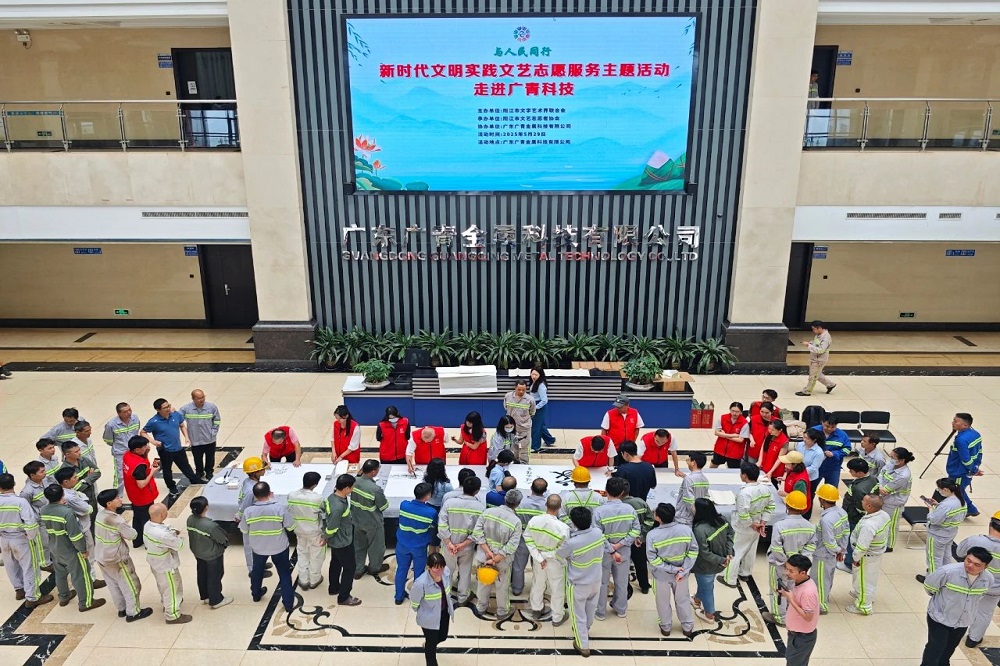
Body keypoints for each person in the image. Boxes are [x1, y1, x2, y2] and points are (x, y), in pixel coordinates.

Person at [920, 547, 995, 665]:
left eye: (977, 565)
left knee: (949, 649)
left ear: (985, 567)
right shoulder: (946, 572)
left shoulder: (988, 579)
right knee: (935, 649)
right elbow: (930, 587)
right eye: (968, 560)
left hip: (962, 622)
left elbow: (979, 597)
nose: (970, 565)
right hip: (940, 618)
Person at [557, 506, 615, 657]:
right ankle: (585, 630)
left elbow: (559, 555)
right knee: (590, 609)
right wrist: (613, 552)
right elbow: (606, 545)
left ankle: (583, 645)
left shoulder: (572, 543)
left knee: (577, 614)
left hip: (578, 584)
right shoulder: (598, 533)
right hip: (596, 579)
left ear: (574, 523)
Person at [40, 484, 106, 613]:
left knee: (60, 573)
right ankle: (86, 602)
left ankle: (64, 596)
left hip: (54, 547)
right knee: (81, 574)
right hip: (70, 550)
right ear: (62, 495)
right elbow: (75, 535)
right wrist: (83, 550)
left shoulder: (43, 510)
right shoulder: (67, 512)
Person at [93, 489, 152, 622]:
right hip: (117, 558)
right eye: (116, 498)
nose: (120, 499)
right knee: (131, 584)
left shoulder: (100, 514)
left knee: (113, 584)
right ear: (109, 503)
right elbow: (132, 535)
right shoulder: (117, 521)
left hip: (101, 556)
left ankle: (122, 608)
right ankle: (133, 612)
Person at [761, 491, 817, 626]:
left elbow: (776, 548)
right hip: (797, 568)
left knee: (777, 589)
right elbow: (811, 546)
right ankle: (789, 610)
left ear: (787, 505)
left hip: (779, 564)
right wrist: (798, 562)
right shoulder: (810, 527)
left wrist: (786, 563)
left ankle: (779, 617)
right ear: (803, 508)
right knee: (792, 588)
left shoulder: (780, 525)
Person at [240, 481, 296, 614]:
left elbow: (244, 530)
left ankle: (256, 594)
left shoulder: (248, 511)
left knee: (257, 571)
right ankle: (288, 603)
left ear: (254, 496)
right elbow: (291, 526)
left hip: (258, 548)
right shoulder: (280, 509)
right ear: (270, 493)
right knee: (284, 574)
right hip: (279, 547)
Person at [0, 473, 52, 609]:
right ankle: (33, 597)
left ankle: (19, 589)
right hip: (20, 538)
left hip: (4, 539)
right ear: (14, 484)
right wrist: (31, 537)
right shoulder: (20, 502)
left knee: (11, 565)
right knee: (30, 567)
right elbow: (30, 523)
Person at [720, 462, 775, 588]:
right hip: (758, 524)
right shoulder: (765, 489)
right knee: (750, 550)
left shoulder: (745, 493)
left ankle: (730, 579)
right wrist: (762, 522)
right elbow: (771, 506)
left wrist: (752, 524)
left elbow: (743, 514)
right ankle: (745, 573)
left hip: (743, 527)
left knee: (735, 551)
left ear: (744, 475)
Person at [647, 502, 697, 638]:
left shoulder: (652, 535)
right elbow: (693, 551)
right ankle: (687, 626)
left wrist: (671, 569)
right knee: (683, 599)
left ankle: (666, 627)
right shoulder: (686, 530)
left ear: (658, 518)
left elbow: (652, 559)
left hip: (661, 575)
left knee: (662, 601)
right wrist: (682, 570)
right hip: (681, 575)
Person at [593, 477, 640, 619]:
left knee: (602, 582)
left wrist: (611, 548)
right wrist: (620, 545)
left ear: (606, 491)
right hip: (623, 551)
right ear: (621, 493)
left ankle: (600, 612)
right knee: (622, 581)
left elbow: (597, 534)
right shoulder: (630, 509)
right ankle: (621, 609)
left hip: (604, 552)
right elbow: (636, 530)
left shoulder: (599, 511)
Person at [473, 489, 523, 620]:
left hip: (484, 557)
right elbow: (511, 546)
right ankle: (502, 611)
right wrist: (495, 559)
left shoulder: (488, 512)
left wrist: (488, 552)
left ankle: (481, 607)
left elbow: (477, 533)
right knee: (502, 586)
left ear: (505, 499)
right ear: (518, 504)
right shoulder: (516, 521)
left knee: (483, 583)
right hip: (502, 561)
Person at [438, 475, 485, 606]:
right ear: (477, 491)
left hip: (448, 546)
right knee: (465, 571)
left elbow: (441, 525)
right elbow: (478, 531)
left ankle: (445, 597)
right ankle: (463, 597)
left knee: (446, 571)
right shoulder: (480, 508)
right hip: (467, 547)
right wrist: (463, 544)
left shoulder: (449, 503)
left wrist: (449, 543)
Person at [955, 513, 1000, 648]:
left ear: (990, 524)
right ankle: (973, 639)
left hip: (970, 583)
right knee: (984, 613)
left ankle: (953, 631)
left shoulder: (975, 540)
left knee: (960, 606)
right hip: (994, 589)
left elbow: (959, 553)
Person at [525, 494, 570, 622]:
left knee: (538, 584)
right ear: (559, 507)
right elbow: (563, 549)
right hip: (556, 562)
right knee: (557, 588)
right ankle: (557, 617)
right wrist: (548, 555)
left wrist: (539, 557)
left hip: (539, 560)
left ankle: (536, 609)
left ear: (546, 505)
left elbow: (527, 538)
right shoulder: (563, 528)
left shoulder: (534, 521)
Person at [142, 398, 202, 494]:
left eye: (169, 406)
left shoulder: (175, 415)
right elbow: (143, 432)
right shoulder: (153, 421)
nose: (168, 408)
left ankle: (194, 480)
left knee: (185, 465)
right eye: (165, 407)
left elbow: (182, 425)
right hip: (165, 450)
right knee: (167, 469)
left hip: (177, 447)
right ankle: (171, 487)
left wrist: (186, 437)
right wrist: (153, 442)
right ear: (158, 410)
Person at [143, 502, 191, 624]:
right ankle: (172, 615)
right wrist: (175, 535)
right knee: (171, 589)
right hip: (166, 566)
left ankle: (168, 603)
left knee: (164, 587)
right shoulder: (163, 535)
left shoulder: (148, 525)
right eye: (165, 512)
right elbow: (179, 545)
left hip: (155, 562)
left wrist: (171, 532)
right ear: (161, 515)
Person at [691, 498, 734, 623]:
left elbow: (704, 552)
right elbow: (731, 534)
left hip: (706, 565)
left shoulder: (699, 529)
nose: (692, 508)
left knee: (707, 588)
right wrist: (728, 552)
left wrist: (722, 559)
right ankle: (697, 600)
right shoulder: (722, 520)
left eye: (694, 506)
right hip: (720, 561)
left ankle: (709, 614)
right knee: (705, 584)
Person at [847, 493, 890, 615]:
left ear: (869, 506)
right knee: (870, 578)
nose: (861, 501)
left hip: (865, 556)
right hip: (875, 554)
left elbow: (862, 546)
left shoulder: (868, 525)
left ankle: (864, 606)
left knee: (864, 581)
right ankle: (862, 594)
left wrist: (856, 558)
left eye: (863, 501)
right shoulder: (884, 515)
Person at [395, 482, 437, 606]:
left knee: (401, 569)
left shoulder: (404, 505)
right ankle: (417, 598)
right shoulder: (431, 512)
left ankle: (398, 597)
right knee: (419, 572)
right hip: (419, 546)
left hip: (402, 544)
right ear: (428, 496)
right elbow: (434, 526)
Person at [917, 478, 967, 582]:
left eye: (939, 489)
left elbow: (934, 520)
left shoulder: (946, 505)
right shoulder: (961, 501)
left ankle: (932, 580)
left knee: (934, 559)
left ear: (945, 490)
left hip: (937, 535)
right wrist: (938, 505)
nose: (938, 491)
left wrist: (930, 508)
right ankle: (945, 576)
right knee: (946, 556)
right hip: (950, 533)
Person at [186, 495, 231, 609]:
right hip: (212, 555)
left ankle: (205, 596)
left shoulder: (190, 519)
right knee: (215, 576)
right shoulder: (210, 525)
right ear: (206, 508)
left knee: (202, 574)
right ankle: (216, 600)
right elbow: (222, 539)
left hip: (198, 553)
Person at [410, 552, 455, 666]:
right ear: (429, 567)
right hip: (429, 617)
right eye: (436, 568)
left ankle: (429, 644)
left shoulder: (446, 572)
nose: (440, 571)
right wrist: (422, 611)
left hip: (444, 612)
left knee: (442, 636)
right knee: (431, 644)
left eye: (442, 567)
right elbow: (414, 601)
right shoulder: (421, 583)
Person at [55, 467, 99, 581]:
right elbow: (87, 509)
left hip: (81, 526)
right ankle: (91, 579)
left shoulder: (67, 491)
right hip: (82, 528)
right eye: (74, 477)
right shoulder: (69, 497)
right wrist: (85, 501)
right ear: (66, 482)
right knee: (88, 553)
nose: (78, 478)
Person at [325, 473, 362, 606]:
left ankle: (334, 587)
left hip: (338, 539)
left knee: (335, 563)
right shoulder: (338, 507)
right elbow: (332, 526)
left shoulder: (332, 497)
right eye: (352, 487)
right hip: (342, 540)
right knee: (349, 568)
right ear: (346, 488)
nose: (353, 489)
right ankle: (344, 597)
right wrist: (325, 537)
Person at [288, 471, 328, 589]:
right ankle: (314, 580)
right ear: (315, 484)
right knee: (316, 556)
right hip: (315, 532)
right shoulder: (318, 498)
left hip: (299, 531)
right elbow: (325, 511)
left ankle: (303, 580)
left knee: (302, 554)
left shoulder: (291, 495)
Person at [812, 484, 848, 615]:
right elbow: (846, 532)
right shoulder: (842, 512)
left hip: (823, 554)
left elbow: (829, 542)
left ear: (821, 499)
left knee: (820, 580)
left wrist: (837, 550)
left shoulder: (826, 520)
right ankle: (824, 598)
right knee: (827, 578)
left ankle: (821, 606)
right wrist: (842, 550)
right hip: (833, 554)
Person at [351, 460, 389, 578]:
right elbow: (383, 506)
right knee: (376, 547)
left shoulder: (354, 482)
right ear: (373, 472)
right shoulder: (375, 489)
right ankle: (375, 568)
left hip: (357, 520)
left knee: (359, 546)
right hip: (372, 523)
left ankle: (358, 569)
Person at [839, 458, 877, 573]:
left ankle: (849, 564)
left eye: (851, 470)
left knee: (852, 541)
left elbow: (860, 508)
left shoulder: (859, 489)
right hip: (861, 516)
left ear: (860, 473)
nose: (849, 472)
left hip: (854, 517)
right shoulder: (873, 479)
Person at [511, 478, 548, 596]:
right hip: (540, 541)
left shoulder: (521, 504)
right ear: (545, 490)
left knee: (518, 565)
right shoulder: (547, 506)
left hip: (523, 539)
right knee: (540, 566)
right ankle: (539, 590)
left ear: (531, 488)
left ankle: (517, 589)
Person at [781, 554, 820, 666]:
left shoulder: (808, 592)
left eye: (791, 571)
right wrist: (786, 594)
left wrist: (790, 599)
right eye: (786, 569)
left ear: (802, 573)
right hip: (796, 634)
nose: (787, 573)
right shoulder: (800, 582)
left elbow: (808, 617)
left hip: (802, 637)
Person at [122, 436, 160, 548]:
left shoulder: (127, 455)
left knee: (137, 517)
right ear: (137, 449)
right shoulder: (139, 466)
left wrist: (146, 453)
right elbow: (142, 484)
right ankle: (149, 543)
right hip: (143, 496)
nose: (147, 447)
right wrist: (153, 471)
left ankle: (137, 541)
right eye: (144, 446)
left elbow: (142, 463)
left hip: (133, 493)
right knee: (146, 520)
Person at [236, 457, 271, 577]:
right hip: (250, 520)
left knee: (259, 543)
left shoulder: (249, 482)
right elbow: (244, 506)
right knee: (250, 546)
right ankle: (253, 570)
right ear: (255, 472)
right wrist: (239, 516)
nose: (264, 470)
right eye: (262, 469)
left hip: (255, 518)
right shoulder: (251, 490)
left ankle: (259, 563)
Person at [177, 389, 222, 479]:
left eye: (203, 397)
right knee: (197, 458)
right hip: (195, 439)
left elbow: (217, 420)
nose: (201, 400)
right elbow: (177, 418)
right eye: (198, 398)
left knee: (210, 457)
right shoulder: (186, 409)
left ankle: (209, 472)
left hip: (209, 439)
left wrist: (213, 432)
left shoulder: (211, 407)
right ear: (193, 398)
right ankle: (199, 472)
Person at [877, 447, 915, 552]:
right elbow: (881, 474)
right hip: (884, 498)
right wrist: (880, 486)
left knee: (891, 525)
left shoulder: (904, 475)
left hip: (894, 503)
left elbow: (887, 489)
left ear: (902, 460)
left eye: (893, 457)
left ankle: (889, 546)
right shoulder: (891, 464)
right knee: (882, 522)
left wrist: (880, 487)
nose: (890, 459)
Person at [622, 479, 655, 594]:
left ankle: (624, 587)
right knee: (641, 563)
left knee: (622, 566)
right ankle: (644, 585)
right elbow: (650, 520)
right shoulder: (640, 502)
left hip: (622, 542)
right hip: (639, 541)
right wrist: (641, 536)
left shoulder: (617, 506)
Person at [948, 413, 983, 518]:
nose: (953, 423)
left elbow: (966, 459)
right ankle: (970, 509)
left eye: (956, 421)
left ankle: (970, 509)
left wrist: (973, 470)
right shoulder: (975, 434)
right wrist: (976, 466)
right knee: (959, 489)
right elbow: (979, 451)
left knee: (957, 490)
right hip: (968, 469)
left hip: (959, 471)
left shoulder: (961, 440)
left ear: (965, 425)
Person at [20, 461, 52, 571]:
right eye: (42, 471)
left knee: (50, 540)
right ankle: (44, 563)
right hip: (39, 521)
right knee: (43, 543)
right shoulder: (27, 491)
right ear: (32, 475)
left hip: (48, 516)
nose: (45, 473)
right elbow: (25, 508)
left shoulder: (44, 481)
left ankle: (49, 557)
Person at [103, 402, 141, 495]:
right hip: (120, 453)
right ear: (119, 413)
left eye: (129, 410)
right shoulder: (111, 424)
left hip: (134, 452)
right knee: (120, 476)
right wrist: (119, 446)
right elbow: (108, 439)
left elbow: (136, 432)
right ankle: (118, 495)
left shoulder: (135, 418)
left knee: (136, 472)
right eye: (125, 412)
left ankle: (135, 491)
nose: (129, 413)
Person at [61, 439, 101, 518]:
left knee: (94, 519)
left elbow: (97, 472)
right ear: (67, 454)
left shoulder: (84, 460)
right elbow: (75, 488)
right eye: (76, 451)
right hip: (80, 502)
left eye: (79, 450)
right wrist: (89, 478)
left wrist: (84, 481)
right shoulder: (64, 470)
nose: (79, 453)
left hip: (92, 497)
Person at [795, 321, 835, 396]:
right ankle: (830, 384)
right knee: (817, 374)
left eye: (814, 329)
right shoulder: (818, 335)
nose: (813, 331)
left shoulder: (826, 338)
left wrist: (808, 346)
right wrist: (810, 343)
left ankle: (807, 391)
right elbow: (816, 343)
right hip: (815, 358)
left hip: (819, 360)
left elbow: (821, 350)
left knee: (812, 376)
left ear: (819, 328)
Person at [813, 415, 851, 487]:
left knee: (831, 490)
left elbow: (847, 449)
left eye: (833, 427)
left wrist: (834, 454)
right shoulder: (813, 431)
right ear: (822, 422)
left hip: (833, 468)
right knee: (810, 489)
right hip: (815, 467)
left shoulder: (842, 435)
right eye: (827, 426)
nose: (829, 429)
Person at [503, 380, 535, 462]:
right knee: (512, 447)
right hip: (511, 428)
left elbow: (532, 412)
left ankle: (524, 463)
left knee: (524, 448)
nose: (521, 392)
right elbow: (506, 407)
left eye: (523, 390)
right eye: (519, 389)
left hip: (524, 428)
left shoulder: (530, 399)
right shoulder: (508, 396)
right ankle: (515, 462)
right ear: (515, 388)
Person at [711, 402, 750, 469]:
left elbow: (740, 440)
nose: (734, 413)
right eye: (732, 411)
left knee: (733, 470)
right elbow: (716, 433)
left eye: (737, 412)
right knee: (714, 464)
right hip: (720, 449)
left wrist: (724, 435)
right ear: (729, 409)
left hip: (735, 452)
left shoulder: (744, 423)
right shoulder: (723, 418)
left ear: (741, 412)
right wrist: (733, 435)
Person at [425, 459, 453, 551]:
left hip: (428, 507)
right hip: (440, 510)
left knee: (432, 534)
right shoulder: (446, 485)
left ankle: (432, 552)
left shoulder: (425, 481)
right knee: (437, 534)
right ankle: (435, 555)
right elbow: (452, 496)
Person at [675, 452, 709, 526]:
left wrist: (696, 515)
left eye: (688, 460)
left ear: (693, 463)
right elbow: (706, 498)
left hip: (685, 518)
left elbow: (689, 501)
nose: (687, 462)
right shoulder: (705, 479)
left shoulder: (689, 480)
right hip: (698, 516)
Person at [778, 451, 812, 520]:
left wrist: (785, 494)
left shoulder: (800, 482)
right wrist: (785, 479)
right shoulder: (794, 469)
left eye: (787, 462)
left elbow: (800, 498)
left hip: (798, 508)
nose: (785, 464)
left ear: (794, 464)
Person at [529, 367, 557, 451]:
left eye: (536, 375)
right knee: (540, 425)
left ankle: (535, 446)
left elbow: (544, 400)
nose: (534, 376)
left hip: (539, 407)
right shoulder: (534, 383)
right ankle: (550, 440)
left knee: (535, 427)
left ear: (540, 375)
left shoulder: (541, 385)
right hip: (535, 405)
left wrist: (535, 408)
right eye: (532, 374)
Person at [796, 429, 825, 497]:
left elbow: (814, 468)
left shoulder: (819, 452)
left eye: (807, 438)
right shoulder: (800, 445)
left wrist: (800, 471)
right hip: (797, 475)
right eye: (804, 437)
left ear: (814, 440)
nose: (804, 440)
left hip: (810, 478)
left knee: (808, 496)